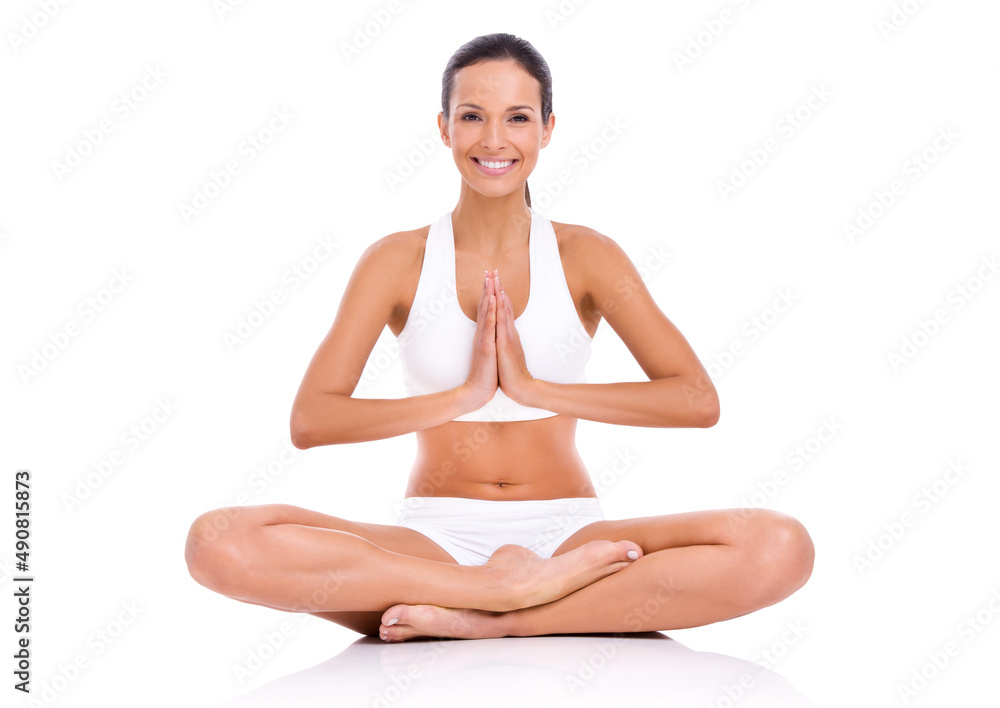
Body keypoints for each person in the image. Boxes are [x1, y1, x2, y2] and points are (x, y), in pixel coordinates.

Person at [184, 32, 814, 643]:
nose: (493, 140)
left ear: (546, 129)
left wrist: (535, 389)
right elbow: (312, 420)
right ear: (443, 128)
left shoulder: (587, 255)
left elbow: (696, 400)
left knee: (779, 547)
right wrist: (461, 398)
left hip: (568, 537)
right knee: (217, 542)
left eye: (517, 118)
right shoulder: (396, 261)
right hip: (431, 544)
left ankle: (505, 616)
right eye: (471, 116)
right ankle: (498, 592)